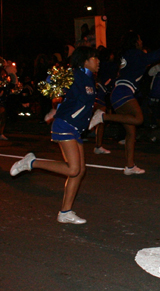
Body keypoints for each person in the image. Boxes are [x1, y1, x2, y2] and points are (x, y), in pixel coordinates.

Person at [9, 46, 100, 225]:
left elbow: (75, 102)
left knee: (80, 171)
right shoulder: (74, 74)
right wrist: (55, 87)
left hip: (75, 127)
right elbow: (50, 83)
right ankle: (31, 162)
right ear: (85, 60)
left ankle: (65, 213)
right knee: (73, 169)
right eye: (95, 58)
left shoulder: (89, 79)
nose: (98, 61)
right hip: (64, 124)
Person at [91, 31, 160, 175]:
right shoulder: (135, 53)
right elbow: (151, 57)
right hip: (123, 91)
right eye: (139, 39)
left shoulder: (127, 55)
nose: (141, 41)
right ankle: (103, 117)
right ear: (135, 42)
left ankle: (129, 166)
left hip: (120, 92)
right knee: (139, 119)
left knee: (131, 133)